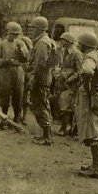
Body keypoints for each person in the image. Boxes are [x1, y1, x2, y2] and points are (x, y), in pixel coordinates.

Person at [75, 32, 98, 179]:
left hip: (91, 98)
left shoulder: (90, 57)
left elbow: (86, 72)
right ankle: (94, 165)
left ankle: (96, 168)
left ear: (85, 45)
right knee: (94, 128)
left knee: (92, 130)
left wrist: (88, 88)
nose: (78, 45)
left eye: (80, 43)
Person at [29, 16, 57, 146]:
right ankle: (46, 135)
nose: (32, 30)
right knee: (44, 105)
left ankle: (46, 137)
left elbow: (39, 65)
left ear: (39, 29)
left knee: (40, 106)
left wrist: (33, 80)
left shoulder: (41, 43)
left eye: (34, 28)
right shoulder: (48, 41)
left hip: (40, 78)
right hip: (46, 77)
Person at [0, 21, 29, 122]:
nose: (15, 36)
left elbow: (26, 58)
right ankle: (4, 115)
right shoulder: (2, 44)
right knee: (4, 93)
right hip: (5, 71)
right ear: (8, 33)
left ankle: (17, 116)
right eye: (13, 34)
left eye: (17, 34)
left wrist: (21, 50)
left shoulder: (21, 43)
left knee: (18, 93)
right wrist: (7, 61)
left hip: (18, 70)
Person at [55, 32, 82, 136]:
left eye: (64, 40)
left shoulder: (76, 54)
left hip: (72, 84)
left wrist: (70, 79)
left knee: (66, 105)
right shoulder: (63, 52)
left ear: (69, 42)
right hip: (63, 82)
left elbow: (79, 71)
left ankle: (65, 128)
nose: (62, 42)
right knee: (63, 105)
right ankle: (67, 128)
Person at [18, 28, 33, 124]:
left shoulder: (25, 41)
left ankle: (24, 116)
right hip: (18, 69)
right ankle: (19, 115)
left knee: (25, 93)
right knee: (18, 93)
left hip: (25, 69)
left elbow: (28, 56)